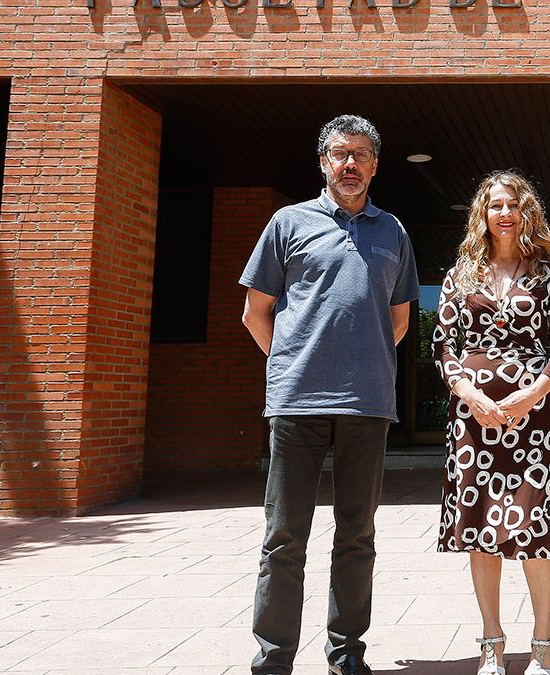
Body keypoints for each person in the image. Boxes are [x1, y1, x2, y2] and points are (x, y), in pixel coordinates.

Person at [240, 114, 418, 675]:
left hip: (366, 405)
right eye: (340, 154)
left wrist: (357, 363)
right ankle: (273, 659)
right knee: (284, 538)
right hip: (297, 405)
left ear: (374, 164)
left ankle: (346, 654)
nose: (350, 164)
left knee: (356, 536)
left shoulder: (392, 231)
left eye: (361, 154)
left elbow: (399, 319)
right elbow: (255, 313)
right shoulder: (288, 223)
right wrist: (295, 363)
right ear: (323, 162)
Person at [434, 170, 550, 675]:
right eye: (495, 205)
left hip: (533, 422)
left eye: (513, 204)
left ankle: (543, 643)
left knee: (534, 524)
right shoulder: (460, 276)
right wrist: (470, 393)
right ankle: (491, 643)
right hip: (473, 422)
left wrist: (534, 392)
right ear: (483, 214)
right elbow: (444, 346)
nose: (504, 213)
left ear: (527, 212)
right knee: (479, 529)